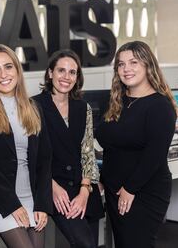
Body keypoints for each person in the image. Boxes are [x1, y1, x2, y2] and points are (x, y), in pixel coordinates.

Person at [0, 44, 52, 248]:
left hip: (32, 199)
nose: (3, 74)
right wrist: (13, 205)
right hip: (2, 201)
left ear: (17, 70)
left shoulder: (34, 108)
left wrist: (42, 205)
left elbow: (44, 159)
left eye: (8, 67)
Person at [96, 41, 178, 248]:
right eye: (121, 65)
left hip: (143, 190)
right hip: (116, 188)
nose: (126, 69)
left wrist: (130, 189)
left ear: (147, 65)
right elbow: (110, 146)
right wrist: (102, 178)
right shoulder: (116, 101)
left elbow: (155, 155)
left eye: (133, 62)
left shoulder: (160, 105)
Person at [32, 49, 104, 248]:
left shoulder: (83, 107)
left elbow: (88, 151)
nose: (66, 77)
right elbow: (32, 156)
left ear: (77, 77)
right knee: (85, 243)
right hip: (56, 188)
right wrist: (51, 187)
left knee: (91, 243)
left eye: (72, 72)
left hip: (83, 187)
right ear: (50, 73)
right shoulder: (33, 106)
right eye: (61, 70)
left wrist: (85, 189)